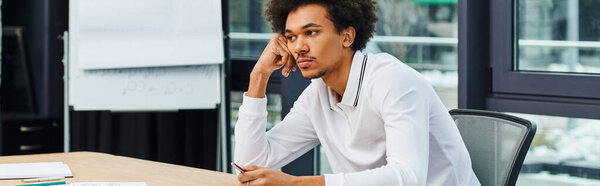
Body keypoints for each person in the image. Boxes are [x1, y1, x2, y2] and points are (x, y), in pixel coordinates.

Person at [234, 0, 480, 185]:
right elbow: (249, 167)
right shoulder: (317, 96)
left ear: (347, 36)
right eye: (291, 37)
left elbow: (406, 177)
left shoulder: (393, 80)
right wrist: (258, 76)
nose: (298, 47)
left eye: (311, 32)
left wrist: (296, 183)